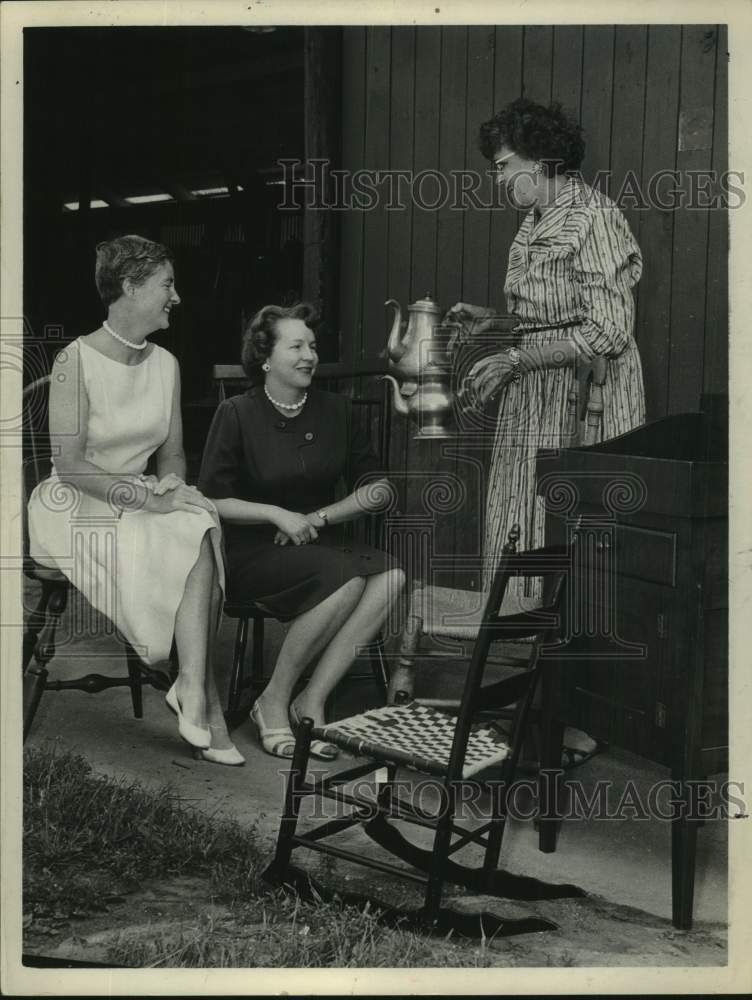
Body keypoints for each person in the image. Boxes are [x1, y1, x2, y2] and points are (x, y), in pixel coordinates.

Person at [448, 99, 646, 767]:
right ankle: (542, 708)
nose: (499, 178)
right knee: (526, 539)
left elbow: (608, 331)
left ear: (543, 159)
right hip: (533, 401)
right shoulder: (535, 220)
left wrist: (514, 357)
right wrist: (493, 328)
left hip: (584, 406)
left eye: (506, 166)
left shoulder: (594, 219)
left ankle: (574, 716)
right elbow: (538, 319)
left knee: (575, 551)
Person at [28, 235, 243, 766]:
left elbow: (172, 453)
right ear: (130, 286)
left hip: (137, 494)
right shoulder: (72, 361)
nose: (177, 296)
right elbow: (72, 465)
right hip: (74, 501)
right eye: (167, 284)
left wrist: (170, 483)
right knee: (192, 528)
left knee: (198, 516)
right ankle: (203, 701)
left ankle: (192, 685)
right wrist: (148, 503)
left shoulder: (165, 363)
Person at [198, 303, 405, 761]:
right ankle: (272, 700)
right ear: (266, 358)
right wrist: (276, 514)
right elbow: (211, 500)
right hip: (252, 549)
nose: (309, 355)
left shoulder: (338, 411)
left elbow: (379, 490)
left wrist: (317, 518)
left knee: (392, 576)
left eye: (312, 346)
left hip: (317, 539)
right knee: (346, 579)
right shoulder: (236, 413)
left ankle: (311, 698)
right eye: (296, 346)